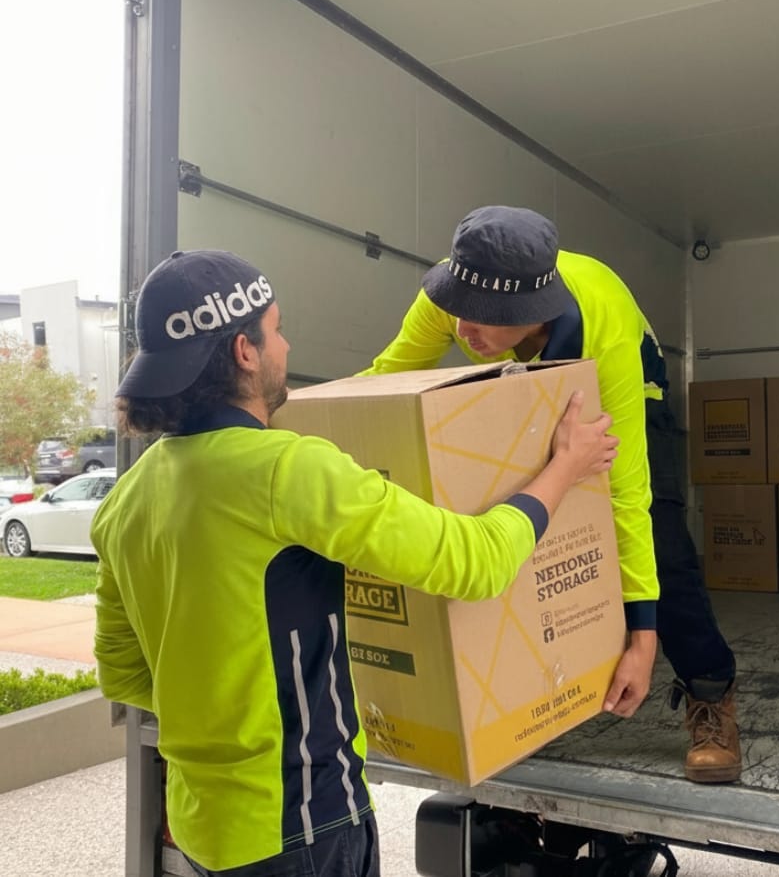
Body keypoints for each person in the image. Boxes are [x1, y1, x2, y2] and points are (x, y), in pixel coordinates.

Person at [91, 248, 618, 877]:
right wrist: (566, 466)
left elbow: (125, 674)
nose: (285, 346)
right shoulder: (287, 470)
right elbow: (474, 563)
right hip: (303, 824)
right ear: (244, 351)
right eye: (277, 329)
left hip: (203, 827)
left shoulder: (126, 500)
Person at [363, 206, 741, 783]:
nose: (464, 332)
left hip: (626, 379)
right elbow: (386, 380)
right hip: (518, 384)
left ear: (532, 312)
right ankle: (530, 696)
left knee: (660, 534)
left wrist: (643, 637)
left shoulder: (601, 320)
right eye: (458, 311)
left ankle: (711, 692)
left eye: (486, 319)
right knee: (516, 512)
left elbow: (625, 494)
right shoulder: (453, 295)